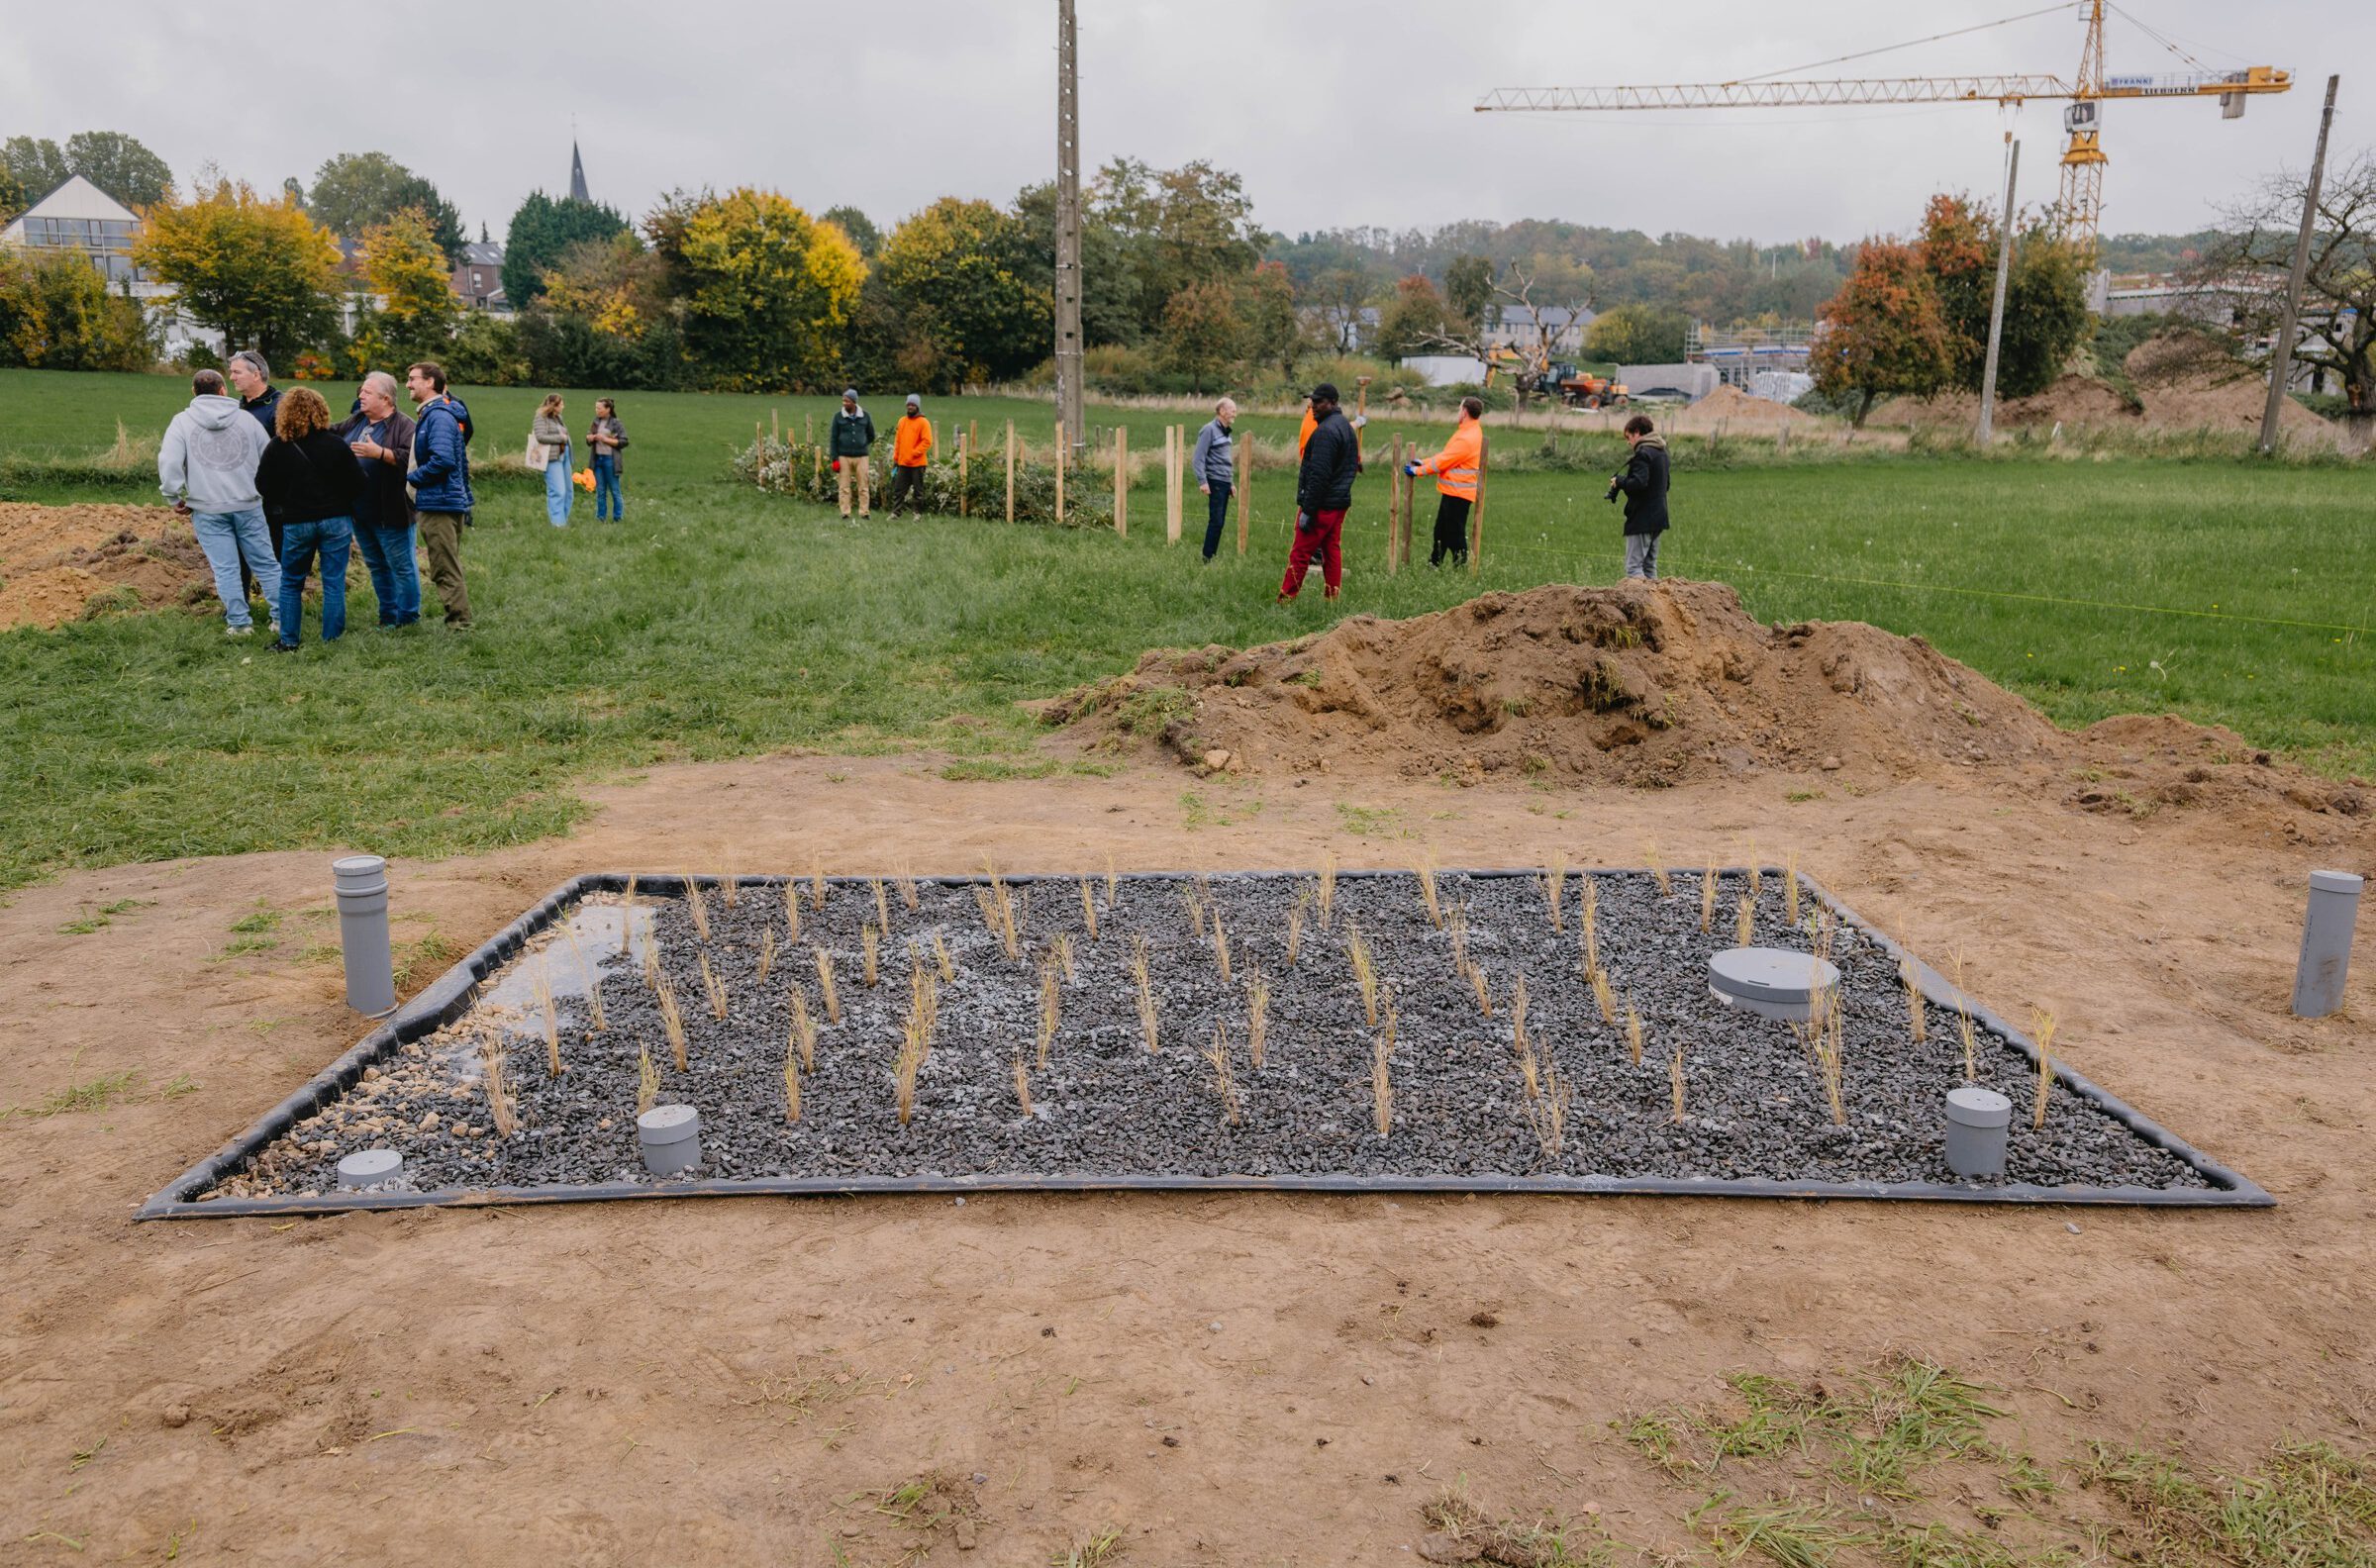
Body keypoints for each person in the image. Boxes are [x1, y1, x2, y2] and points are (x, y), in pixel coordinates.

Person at [158, 367, 282, 637]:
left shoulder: (182, 422)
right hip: (249, 505)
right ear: (223, 390)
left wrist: (173, 496)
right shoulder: (248, 420)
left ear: (194, 391)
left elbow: (169, 461)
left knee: (226, 568)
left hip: (207, 508)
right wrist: (264, 491)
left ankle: (239, 624)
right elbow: (270, 458)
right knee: (266, 564)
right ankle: (282, 619)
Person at [255, 387, 364, 652]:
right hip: (336, 519)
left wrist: (286, 499)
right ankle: (332, 640)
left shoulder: (277, 447)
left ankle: (288, 640)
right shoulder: (336, 444)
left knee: (291, 581)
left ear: (284, 414)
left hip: (297, 520)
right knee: (334, 580)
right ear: (321, 411)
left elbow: (263, 486)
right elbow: (359, 482)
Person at [337, 371, 421, 628]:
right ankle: (388, 616)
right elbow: (332, 433)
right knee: (376, 566)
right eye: (361, 391)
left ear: (386, 399)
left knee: (402, 567)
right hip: (360, 513)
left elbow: (412, 460)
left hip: (391, 512)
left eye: (367, 392)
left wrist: (380, 453)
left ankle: (407, 619)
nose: (360, 395)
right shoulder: (357, 420)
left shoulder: (404, 426)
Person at [405, 360, 475, 628]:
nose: (408, 384)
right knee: (445, 564)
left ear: (430, 382)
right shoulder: (433, 414)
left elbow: (443, 460)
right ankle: (458, 619)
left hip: (439, 503)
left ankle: (459, 624)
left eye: (413, 379)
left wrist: (412, 478)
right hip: (440, 500)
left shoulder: (438, 417)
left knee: (445, 566)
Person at [1279, 382, 1361, 603]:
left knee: (1300, 552)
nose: (1313, 406)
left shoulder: (1325, 432)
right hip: (1339, 502)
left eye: (1318, 402)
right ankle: (1332, 599)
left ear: (1332, 402)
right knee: (1331, 550)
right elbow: (1353, 464)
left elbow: (1319, 476)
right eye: (1312, 401)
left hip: (1322, 505)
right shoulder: (1345, 426)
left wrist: (1308, 510)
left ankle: (1285, 599)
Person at [227, 350, 285, 594]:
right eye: (231, 372)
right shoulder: (236, 408)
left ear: (256, 374)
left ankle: (282, 603)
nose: (231, 377)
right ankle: (240, 603)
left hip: (273, 497)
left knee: (275, 551)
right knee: (238, 552)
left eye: (236, 372)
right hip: (240, 492)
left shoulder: (280, 406)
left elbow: (288, 451)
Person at [1408, 395, 1484, 569]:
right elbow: (1447, 456)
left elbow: (1443, 462)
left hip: (1459, 493)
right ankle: (1434, 563)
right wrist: (1423, 462)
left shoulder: (1467, 437)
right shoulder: (1468, 431)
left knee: (1455, 533)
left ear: (1464, 412)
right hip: (1452, 491)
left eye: (1459, 408)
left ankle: (1460, 566)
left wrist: (1418, 471)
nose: (1458, 411)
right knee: (1440, 530)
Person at [1606, 412, 1670, 580]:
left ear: (1637, 433)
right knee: (1649, 567)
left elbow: (1639, 483)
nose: (1628, 442)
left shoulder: (1643, 454)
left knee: (1634, 568)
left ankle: (1640, 598)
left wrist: (1620, 481)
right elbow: (1666, 485)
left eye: (1628, 437)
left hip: (1642, 518)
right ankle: (1655, 597)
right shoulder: (1662, 453)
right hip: (1659, 517)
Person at [1189, 397, 1237, 560]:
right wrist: (1203, 482)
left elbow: (1226, 460)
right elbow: (1198, 458)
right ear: (1222, 411)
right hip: (1215, 480)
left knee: (1220, 521)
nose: (1235, 414)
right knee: (1216, 521)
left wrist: (1231, 483)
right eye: (1232, 410)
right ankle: (1207, 557)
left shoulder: (1226, 432)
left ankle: (1211, 555)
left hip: (1224, 482)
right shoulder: (1209, 430)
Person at [830, 388, 876, 520]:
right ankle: (845, 512)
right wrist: (835, 458)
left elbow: (871, 435)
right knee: (844, 486)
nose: (844, 403)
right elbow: (833, 439)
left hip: (862, 456)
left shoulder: (865, 416)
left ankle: (864, 512)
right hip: (843, 456)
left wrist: (862, 443)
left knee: (863, 486)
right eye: (843, 401)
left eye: (847, 401)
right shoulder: (838, 417)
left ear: (854, 402)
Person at [887, 394, 933, 517]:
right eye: (908, 405)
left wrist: (914, 453)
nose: (910, 407)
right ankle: (896, 512)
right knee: (899, 490)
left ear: (917, 407)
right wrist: (896, 458)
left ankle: (917, 513)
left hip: (918, 463)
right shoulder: (902, 421)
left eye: (913, 405)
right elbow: (898, 441)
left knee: (918, 491)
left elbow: (927, 441)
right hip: (903, 463)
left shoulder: (923, 422)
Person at [532, 393, 573, 527]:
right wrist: (560, 438)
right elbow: (540, 437)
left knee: (568, 492)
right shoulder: (540, 417)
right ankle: (558, 524)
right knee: (558, 491)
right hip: (552, 458)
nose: (563, 407)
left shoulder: (558, 418)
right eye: (561, 404)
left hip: (564, 455)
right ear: (553, 406)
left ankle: (563, 520)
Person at [587, 397, 629, 520]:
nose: (597, 410)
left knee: (615, 491)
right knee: (600, 491)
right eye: (596, 408)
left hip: (610, 461)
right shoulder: (595, 422)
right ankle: (601, 517)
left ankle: (617, 517)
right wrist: (589, 438)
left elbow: (624, 441)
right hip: (597, 460)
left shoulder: (616, 423)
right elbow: (589, 437)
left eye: (599, 408)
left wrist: (606, 439)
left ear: (608, 409)